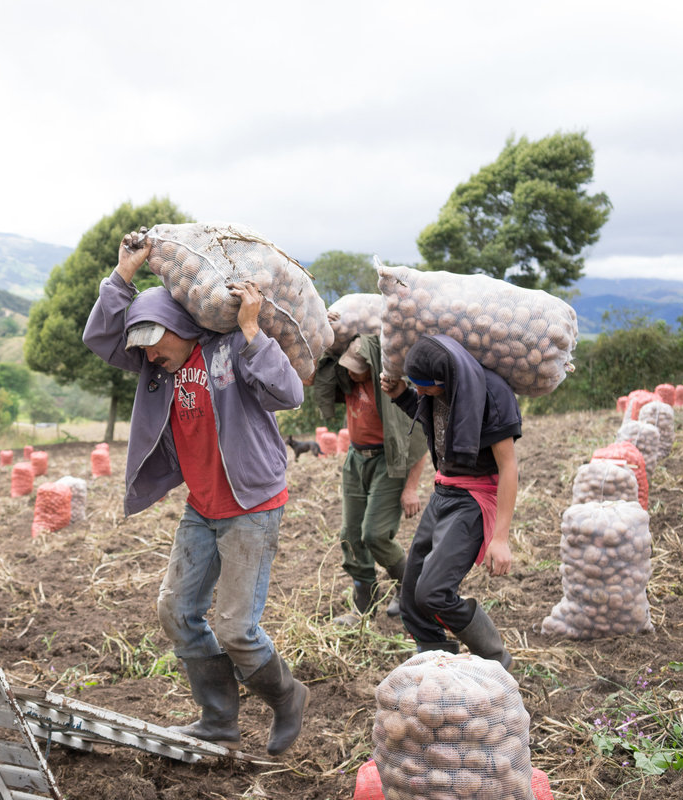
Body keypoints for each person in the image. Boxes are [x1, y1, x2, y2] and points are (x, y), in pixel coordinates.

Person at [82, 230, 308, 756]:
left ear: (181, 328)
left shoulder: (230, 351)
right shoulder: (153, 370)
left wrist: (252, 331)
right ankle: (218, 720)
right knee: (176, 610)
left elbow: (289, 393)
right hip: (202, 507)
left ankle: (286, 695)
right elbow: (102, 338)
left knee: (235, 627)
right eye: (142, 347)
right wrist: (122, 277)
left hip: (251, 504)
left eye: (155, 342)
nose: (148, 354)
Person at [379, 334, 521, 668]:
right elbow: (440, 424)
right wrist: (402, 395)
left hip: (473, 499)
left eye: (426, 387)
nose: (422, 392)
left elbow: (509, 466)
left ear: (447, 378)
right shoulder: (440, 389)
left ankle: (496, 660)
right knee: (412, 598)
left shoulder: (491, 394)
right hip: (443, 492)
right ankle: (436, 669)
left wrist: (500, 539)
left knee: (433, 592)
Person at [313, 333, 429, 621]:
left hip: (387, 462)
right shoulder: (346, 381)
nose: (351, 372)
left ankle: (408, 588)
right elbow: (310, 379)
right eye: (348, 366)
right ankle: (364, 602)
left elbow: (419, 440)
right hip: (356, 460)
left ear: (373, 364)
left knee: (374, 534)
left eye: (357, 367)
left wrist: (411, 489)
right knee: (350, 536)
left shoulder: (389, 390)